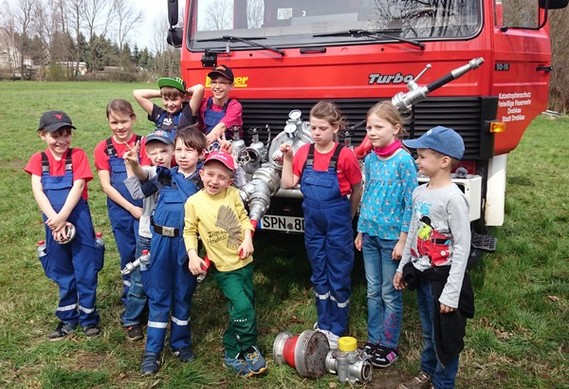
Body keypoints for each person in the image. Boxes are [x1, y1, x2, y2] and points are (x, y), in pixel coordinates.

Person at [393, 126, 474, 389]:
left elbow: (462, 247)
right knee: (428, 331)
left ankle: (443, 382)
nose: (417, 161)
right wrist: (403, 266)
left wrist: (451, 293)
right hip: (423, 276)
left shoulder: (453, 198)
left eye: (422, 156)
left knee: (444, 338)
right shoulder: (420, 193)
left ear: (444, 161)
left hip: (443, 280)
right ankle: (427, 372)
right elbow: (415, 232)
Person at [280, 101, 363, 349]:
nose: (316, 133)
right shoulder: (304, 152)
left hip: (338, 222)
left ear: (335, 128)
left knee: (338, 272)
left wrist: (349, 215)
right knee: (319, 271)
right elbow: (287, 183)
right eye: (313, 127)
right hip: (313, 225)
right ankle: (323, 322)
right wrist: (287, 157)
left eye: (322, 128)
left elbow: (357, 188)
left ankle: (338, 327)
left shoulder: (345, 155)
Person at [125, 126, 206, 376]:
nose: (182, 155)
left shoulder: (205, 180)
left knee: (182, 295)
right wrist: (133, 163)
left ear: (201, 154)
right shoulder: (163, 175)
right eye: (179, 149)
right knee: (159, 296)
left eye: (189, 150)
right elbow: (142, 177)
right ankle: (152, 351)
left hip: (187, 245)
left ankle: (180, 344)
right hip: (160, 243)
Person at [183, 151, 267, 377]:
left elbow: (243, 219)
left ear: (230, 180)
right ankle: (242, 348)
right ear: (201, 174)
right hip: (224, 269)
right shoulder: (194, 202)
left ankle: (236, 341)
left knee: (243, 308)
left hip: (244, 261)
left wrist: (248, 238)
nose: (214, 181)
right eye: (210, 174)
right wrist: (193, 255)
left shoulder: (233, 194)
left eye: (221, 177)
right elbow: (189, 230)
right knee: (243, 308)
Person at [25, 110, 104, 340]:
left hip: (77, 219)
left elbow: (78, 187)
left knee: (85, 270)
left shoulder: (77, 155)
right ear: (42, 135)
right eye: (55, 135)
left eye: (66, 134)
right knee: (62, 271)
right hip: (53, 224)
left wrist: (62, 217)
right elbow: (37, 190)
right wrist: (55, 220)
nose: (62, 140)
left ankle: (89, 318)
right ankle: (68, 318)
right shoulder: (37, 160)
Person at [354, 101, 417, 367]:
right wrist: (360, 230)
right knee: (372, 290)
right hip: (369, 235)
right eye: (369, 127)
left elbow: (411, 204)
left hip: (392, 239)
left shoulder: (403, 161)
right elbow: (366, 195)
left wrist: (404, 240)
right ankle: (374, 339)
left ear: (396, 128)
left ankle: (389, 344)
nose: (372, 132)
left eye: (379, 127)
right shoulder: (369, 159)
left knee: (390, 292)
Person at [121, 130, 175, 342]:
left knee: (167, 277)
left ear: (173, 150)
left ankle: (161, 314)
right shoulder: (152, 173)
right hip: (148, 236)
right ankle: (131, 319)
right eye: (154, 152)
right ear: (148, 156)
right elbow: (140, 179)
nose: (159, 156)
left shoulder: (180, 174)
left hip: (172, 237)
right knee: (140, 281)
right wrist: (132, 164)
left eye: (164, 150)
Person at [94, 99, 144, 304]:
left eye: (124, 121)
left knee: (146, 254)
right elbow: (106, 186)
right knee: (127, 253)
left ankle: (147, 297)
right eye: (114, 123)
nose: (120, 127)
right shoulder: (103, 148)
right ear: (108, 123)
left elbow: (149, 177)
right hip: (121, 210)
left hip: (146, 209)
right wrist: (131, 208)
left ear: (133, 118)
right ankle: (130, 299)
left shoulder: (145, 143)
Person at [133, 76, 204, 140]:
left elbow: (199, 88)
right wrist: (164, 93)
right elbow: (137, 94)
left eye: (174, 99)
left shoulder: (187, 113)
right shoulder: (159, 114)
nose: (169, 104)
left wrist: (182, 93)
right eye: (166, 99)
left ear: (183, 98)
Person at [199, 64, 243, 145]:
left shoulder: (235, 106)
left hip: (229, 147)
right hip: (209, 146)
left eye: (222, 83)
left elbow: (221, 127)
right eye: (214, 82)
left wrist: (201, 146)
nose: (217, 87)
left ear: (231, 86)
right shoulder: (204, 104)